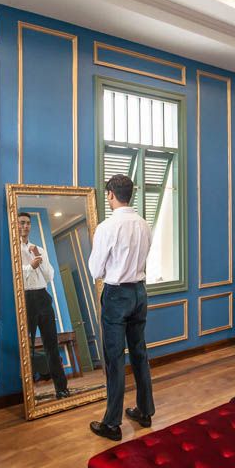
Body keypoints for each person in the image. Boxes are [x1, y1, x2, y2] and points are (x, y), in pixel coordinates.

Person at [87, 174, 154, 441]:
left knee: (115, 359)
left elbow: (95, 270)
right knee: (139, 353)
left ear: (111, 195)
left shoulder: (107, 227)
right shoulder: (144, 224)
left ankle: (112, 424)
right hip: (139, 292)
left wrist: (111, 269)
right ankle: (145, 411)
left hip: (116, 295)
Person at [18, 212, 70, 399]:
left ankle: (61, 389)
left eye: (27, 223)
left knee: (51, 345)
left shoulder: (38, 249)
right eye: (21, 223)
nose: (25, 226)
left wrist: (37, 257)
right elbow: (14, 277)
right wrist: (29, 267)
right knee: (26, 347)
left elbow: (49, 276)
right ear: (15, 225)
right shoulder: (12, 251)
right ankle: (26, 394)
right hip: (24, 299)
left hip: (42, 297)